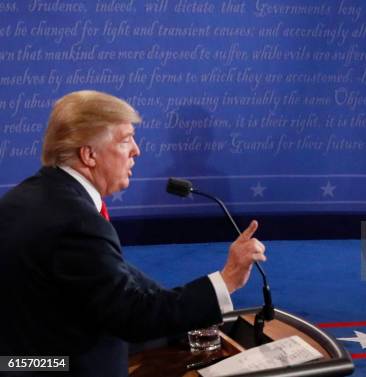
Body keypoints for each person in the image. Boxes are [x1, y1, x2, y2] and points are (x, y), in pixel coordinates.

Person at [0, 90, 266, 376]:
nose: (136, 150)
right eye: (125, 140)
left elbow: (115, 276)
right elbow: (132, 318)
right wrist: (226, 281)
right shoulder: (76, 222)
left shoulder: (29, 195)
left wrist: (186, 307)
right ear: (89, 154)